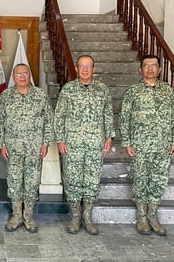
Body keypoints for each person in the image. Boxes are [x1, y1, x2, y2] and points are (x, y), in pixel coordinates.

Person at [120, 54, 174, 236]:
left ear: (160, 69)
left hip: (162, 145)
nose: (150, 69)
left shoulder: (167, 91)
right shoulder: (133, 91)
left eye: (154, 65)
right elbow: (124, 118)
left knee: (158, 181)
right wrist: (127, 141)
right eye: (146, 66)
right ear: (141, 70)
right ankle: (141, 218)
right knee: (141, 181)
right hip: (140, 146)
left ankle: (153, 216)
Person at [54, 54, 115, 235]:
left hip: (95, 144)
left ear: (94, 69)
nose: (85, 69)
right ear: (77, 68)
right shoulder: (68, 89)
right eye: (82, 66)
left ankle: (87, 218)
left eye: (88, 66)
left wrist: (109, 136)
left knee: (91, 181)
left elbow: (108, 114)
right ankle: (75, 217)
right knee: (72, 180)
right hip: (72, 144)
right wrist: (60, 139)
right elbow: (59, 116)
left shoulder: (102, 90)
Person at [0, 63, 54, 233]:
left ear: (29, 75)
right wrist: (2, 144)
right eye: (18, 73)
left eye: (25, 73)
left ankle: (28, 217)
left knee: (31, 183)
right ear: (13, 77)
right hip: (13, 148)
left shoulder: (40, 95)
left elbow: (49, 121)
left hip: (34, 149)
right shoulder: (6, 96)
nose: (22, 76)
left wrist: (45, 143)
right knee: (14, 182)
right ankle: (16, 216)